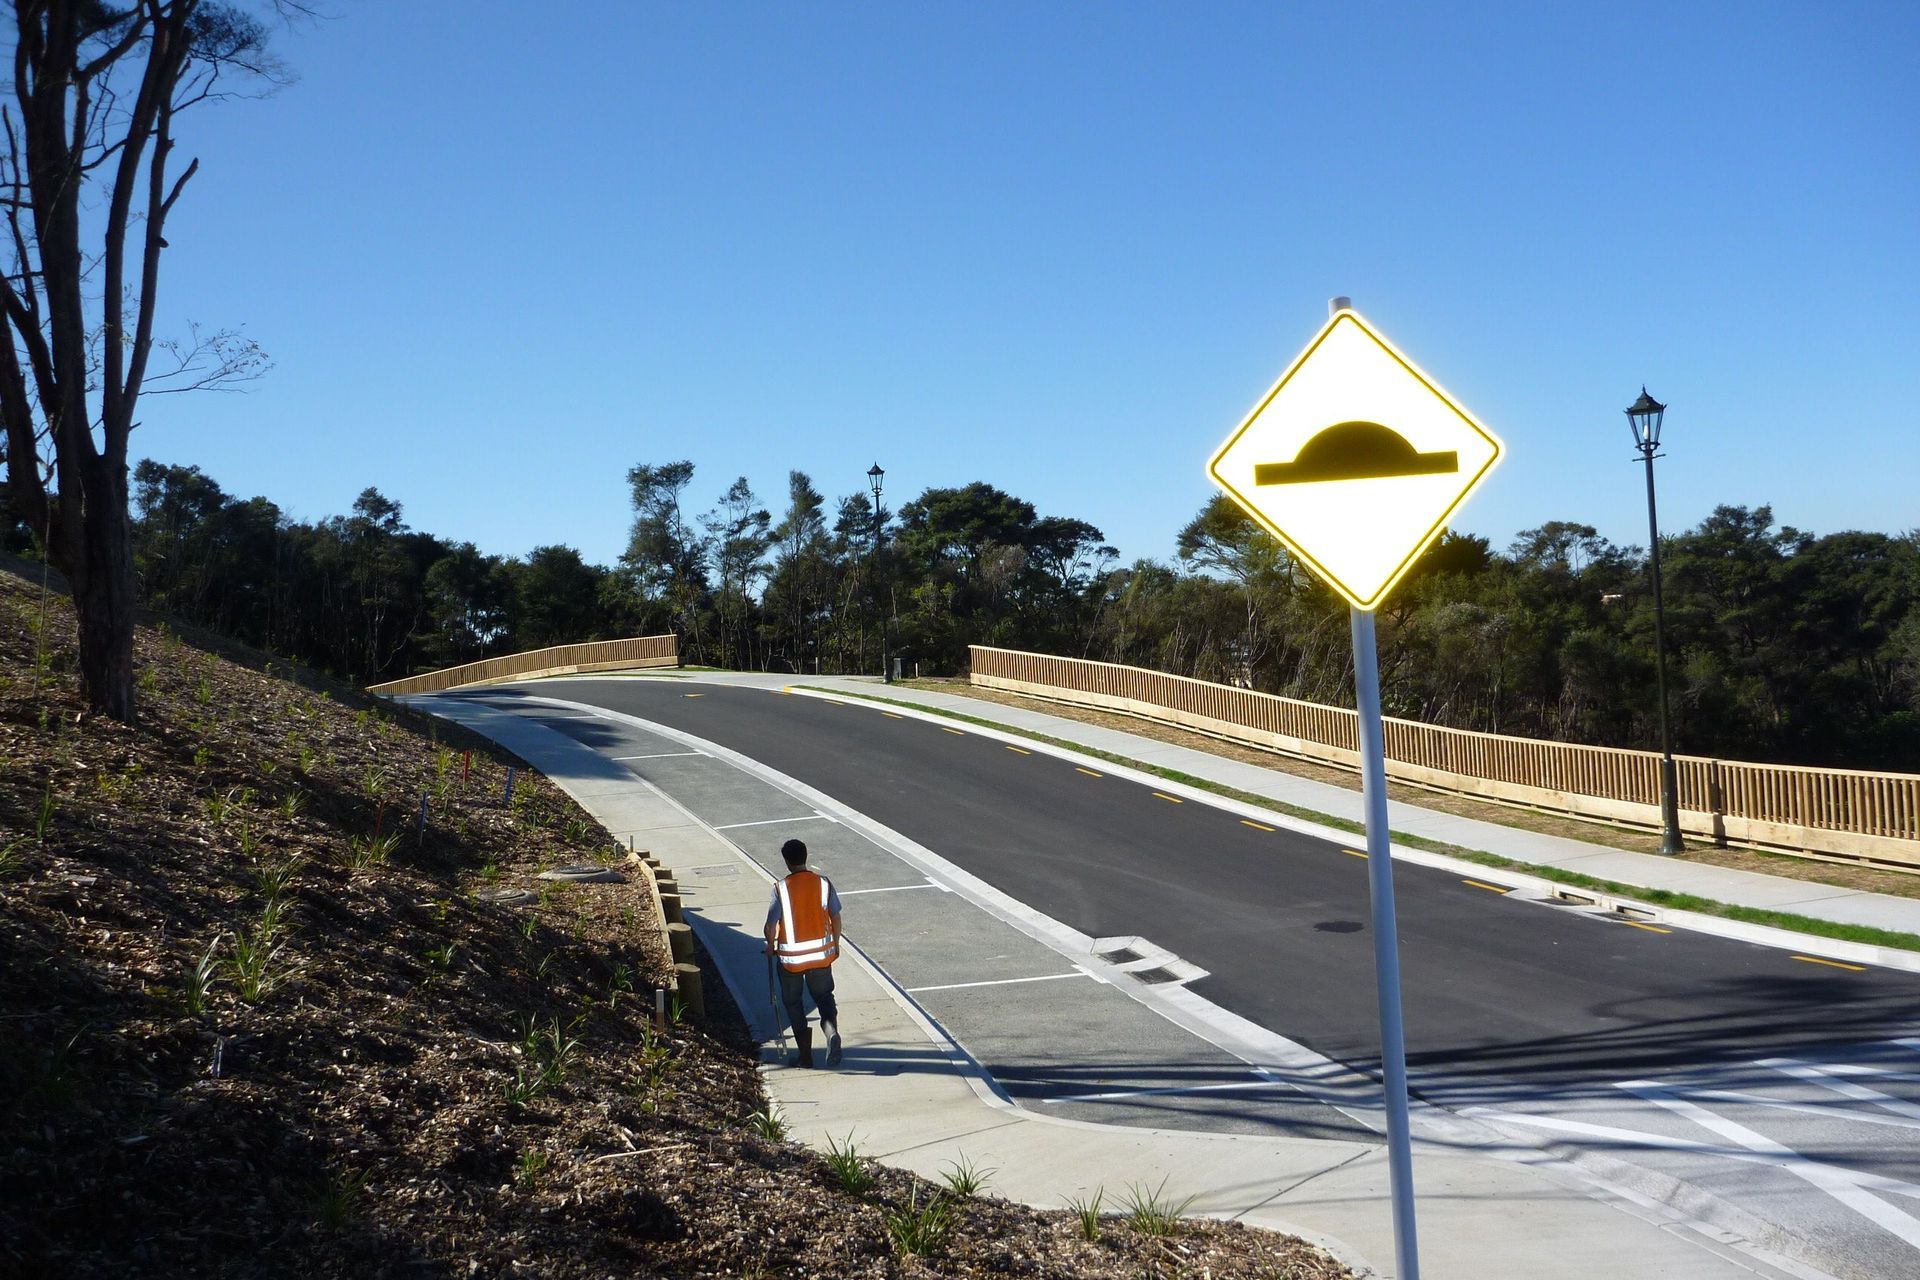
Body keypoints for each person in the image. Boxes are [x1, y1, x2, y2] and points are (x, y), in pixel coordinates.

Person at [763, 838, 842, 1067]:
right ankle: (831, 1034)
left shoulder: (781, 888)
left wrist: (770, 945)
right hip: (820, 956)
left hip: (791, 961)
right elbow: (835, 916)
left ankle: (805, 1055)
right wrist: (834, 943)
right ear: (805, 857)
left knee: (793, 1002)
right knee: (824, 997)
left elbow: (770, 926)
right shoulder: (824, 884)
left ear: (787, 862)